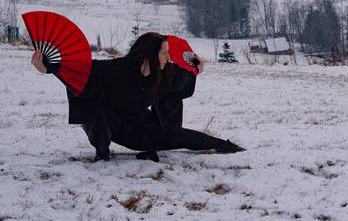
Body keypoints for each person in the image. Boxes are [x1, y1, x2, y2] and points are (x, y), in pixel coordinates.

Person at [32, 32, 244, 162]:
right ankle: (102, 152)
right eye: (163, 53)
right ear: (149, 54)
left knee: (179, 137)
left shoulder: (165, 73)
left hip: (141, 128)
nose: (167, 58)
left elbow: (184, 80)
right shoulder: (115, 69)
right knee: (94, 104)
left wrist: (197, 68)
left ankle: (223, 145)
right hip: (111, 124)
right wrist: (47, 67)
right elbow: (82, 71)